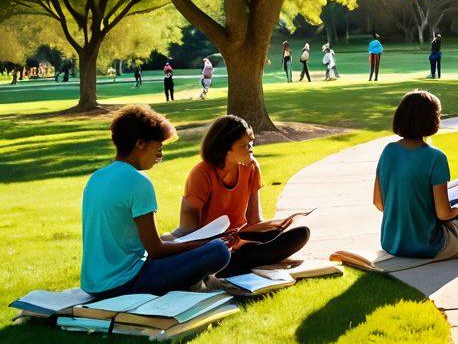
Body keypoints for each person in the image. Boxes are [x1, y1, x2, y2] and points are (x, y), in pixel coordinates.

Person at [80, 105, 231, 297]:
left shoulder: (97, 177)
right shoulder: (138, 181)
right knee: (218, 250)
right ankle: (195, 281)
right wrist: (201, 244)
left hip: (94, 284)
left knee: (180, 243)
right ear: (140, 143)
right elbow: (156, 250)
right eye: (158, 148)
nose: (160, 156)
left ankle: (193, 280)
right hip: (126, 282)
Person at [177, 114, 311, 277]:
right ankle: (233, 264)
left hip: (241, 239)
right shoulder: (201, 173)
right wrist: (221, 242)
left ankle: (238, 263)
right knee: (220, 254)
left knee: (301, 234)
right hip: (211, 246)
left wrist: (275, 226)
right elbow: (189, 233)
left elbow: (254, 220)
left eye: (251, 143)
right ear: (227, 148)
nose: (251, 148)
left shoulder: (251, 167)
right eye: (244, 145)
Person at [373, 90, 458, 260]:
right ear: (431, 120)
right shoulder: (436, 157)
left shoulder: (388, 151)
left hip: (391, 243)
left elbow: (379, 203)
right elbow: (443, 214)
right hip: (428, 245)